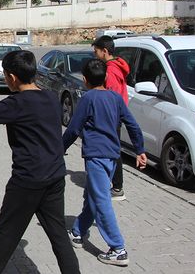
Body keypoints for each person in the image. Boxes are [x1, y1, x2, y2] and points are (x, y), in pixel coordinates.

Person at [0, 50, 80, 274]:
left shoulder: (16, 104)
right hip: (55, 176)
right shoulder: (51, 97)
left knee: (5, 235)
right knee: (59, 236)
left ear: (12, 77)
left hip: (27, 181)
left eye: (5, 75)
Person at [64, 58, 147, 267]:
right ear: (106, 77)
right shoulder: (115, 98)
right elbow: (133, 125)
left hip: (97, 157)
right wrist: (140, 150)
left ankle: (118, 249)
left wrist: (58, 150)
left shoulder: (88, 98)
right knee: (92, 195)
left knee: (101, 201)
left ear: (85, 79)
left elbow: (74, 128)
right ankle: (78, 231)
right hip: (112, 156)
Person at [92, 35, 131, 200]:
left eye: (96, 52)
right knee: (112, 149)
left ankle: (117, 187)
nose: (95, 55)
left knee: (113, 150)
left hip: (112, 116)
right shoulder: (116, 66)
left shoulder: (111, 70)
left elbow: (112, 96)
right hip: (115, 114)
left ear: (105, 51)